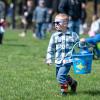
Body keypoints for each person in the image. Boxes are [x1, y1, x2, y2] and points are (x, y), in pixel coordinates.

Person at [46, 13, 83, 96]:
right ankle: (73, 83)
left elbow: (79, 45)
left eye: (58, 22)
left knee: (60, 76)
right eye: (54, 23)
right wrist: (49, 58)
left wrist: (83, 43)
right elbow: (50, 48)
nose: (56, 24)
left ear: (66, 24)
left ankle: (64, 92)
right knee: (59, 76)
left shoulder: (73, 35)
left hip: (68, 60)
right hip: (58, 60)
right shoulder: (54, 36)